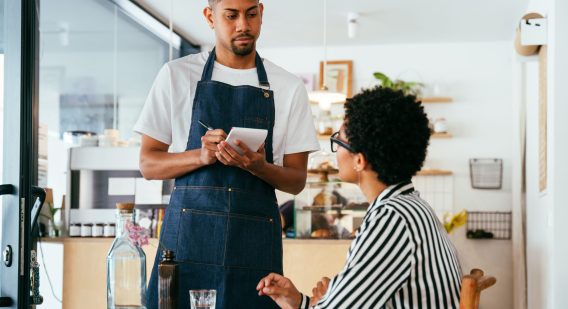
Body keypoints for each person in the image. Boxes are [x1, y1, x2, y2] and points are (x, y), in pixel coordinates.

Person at [134, 0, 319, 308]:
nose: (243, 25)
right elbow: (148, 163)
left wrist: (258, 166)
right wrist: (201, 156)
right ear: (210, 16)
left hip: (254, 246)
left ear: (261, 13)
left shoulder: (288, 87)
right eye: (231, 15)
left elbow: (296, 180)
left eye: (251, 14)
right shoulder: (176, 76)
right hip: (189, 242)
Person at [257, 87, 463, 308]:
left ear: (359, 161)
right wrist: (301, 302)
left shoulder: (391, 219)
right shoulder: (411, 206)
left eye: (339, 141)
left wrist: (322, 302)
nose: (336, 149)